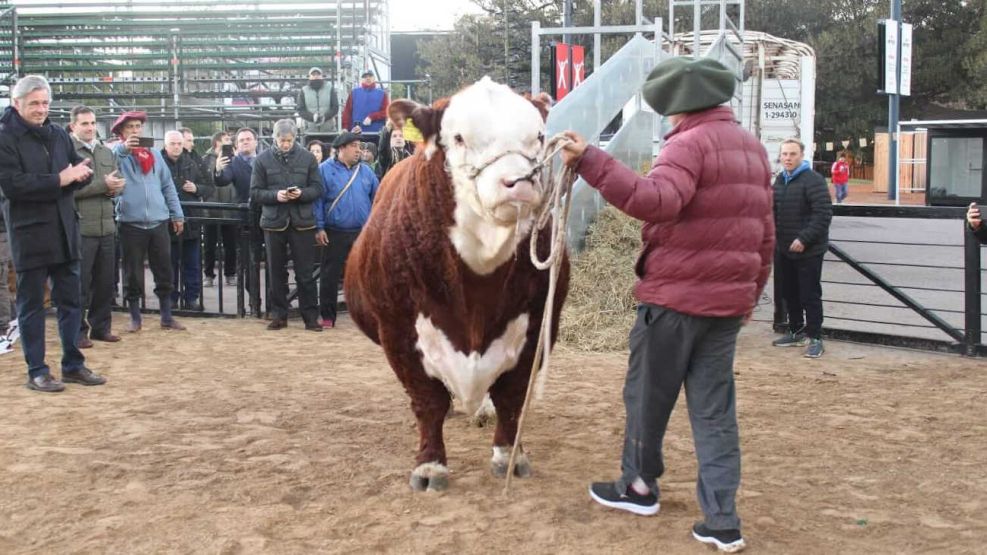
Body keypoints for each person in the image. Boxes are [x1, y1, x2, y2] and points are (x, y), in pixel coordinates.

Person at [560, 57, 774, 553]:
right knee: (715, 413)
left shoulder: (688, 144)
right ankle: (723, 519)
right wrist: (750, 296)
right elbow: (765, 235)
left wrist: (591, 160)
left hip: (673, 301)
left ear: (677, 106)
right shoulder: (753, 149)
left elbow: (658, 201)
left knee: (646, 398)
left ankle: (638, 486)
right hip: (725, 307)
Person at [0, 75, 107, 392]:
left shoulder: (58, 134)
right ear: (17, 103)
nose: (41, 109)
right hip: (29, 233)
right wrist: (61, 179)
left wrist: (82, 174)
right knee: (32, 306)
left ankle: (73, 365)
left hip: (64, 230)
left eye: (45, 103)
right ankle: (37, 371)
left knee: (71, 302)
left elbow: (76, 171)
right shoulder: (5, 136)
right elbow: (12, 185)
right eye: (34, 103)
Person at [111, 111, 187, 333]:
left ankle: (166, 316)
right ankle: (135, 317)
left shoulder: (154, 154)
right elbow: (110, 161)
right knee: (132, 273)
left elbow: (167, 186)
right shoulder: (118, 153)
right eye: (130, 127)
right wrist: (125, 148)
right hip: (130, 222)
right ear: (122, 132)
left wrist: (177, 213)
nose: (135, 130)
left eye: (138, 126)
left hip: (158, 220)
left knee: (164, 270)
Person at [249, 119, 323, 331]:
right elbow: (254, 192)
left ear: (295, 138)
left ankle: (310, 317)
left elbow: (318, 188)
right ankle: (279, 315)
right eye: (282, 141)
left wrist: (301, 194)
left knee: (305, 273)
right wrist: (276, 196)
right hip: (274, 223)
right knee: (275, 272)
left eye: (289, 140)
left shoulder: (308, 158)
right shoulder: (262, 160)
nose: (286, 144)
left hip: (303, 222)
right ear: (274, 138)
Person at [771, 138, 832, 358]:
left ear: (802, 155)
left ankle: (815, 337)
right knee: (789, 292)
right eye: (785, 154)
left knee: (810, 294)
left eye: (792, 154)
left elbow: (823, 214)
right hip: (784, 248)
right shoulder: (780, 180)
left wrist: (804, 239)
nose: (787, 158)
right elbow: (772, 210)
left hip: (809, 250)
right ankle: (796, 331)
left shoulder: (813, 180)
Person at [71, 105, 125, 347]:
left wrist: (115, 188)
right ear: (73, 126)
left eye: (92, 123)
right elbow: (68, 191)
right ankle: (77, 332)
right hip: (81, 229)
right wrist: (104, 186)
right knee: (79, 286)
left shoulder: (105, 152)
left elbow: (114, 182)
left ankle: (101, 328)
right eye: (84, 123)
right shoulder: (68, 152)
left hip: (107, 227)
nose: (90, 128)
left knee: (104, 284)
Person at [315, 132, 380, 329]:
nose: (359, 150)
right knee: (329, 276)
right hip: (334, 231)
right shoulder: (324, 170)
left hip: (362, 232)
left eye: (359, 146)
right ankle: (328, 317)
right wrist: (319, 227)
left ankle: (369, 317)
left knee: (366, 276)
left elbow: (377, 198)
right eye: (354, 146)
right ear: (341, 148)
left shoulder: (366, 171)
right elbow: (318, 201)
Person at [162, 130, 214, 309]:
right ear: (165, 145)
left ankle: (191, 297)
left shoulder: (193, 162)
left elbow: (209, 187)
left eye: (179, 143)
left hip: (190, 218)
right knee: (168, 263)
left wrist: (196, 188)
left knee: (191, 263)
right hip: (166, 220)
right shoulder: (158, 163)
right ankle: (170, 298)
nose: (177, 147)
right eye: (173, 144)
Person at [201, 131, 237, 288]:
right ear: (217, 142)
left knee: (231, 245)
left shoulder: (234, 159)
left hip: (230, 207)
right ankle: (208, 275)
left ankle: (230, 274)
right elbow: (204, 181)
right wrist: (216, 168)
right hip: (211, 208)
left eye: (230, 140)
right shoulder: (205, 160)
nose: (229, 142)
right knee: (209, 245)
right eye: (226, 140)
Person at [296, 67, 339, 133]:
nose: (316, 76)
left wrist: (325, 117)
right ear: (309, 77)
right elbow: (300, 109)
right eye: (313, 74)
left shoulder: (330, 88)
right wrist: (312, 117)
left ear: (322, 76)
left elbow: (335, 107)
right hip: (309, 131)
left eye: (318, 74)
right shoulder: (304, 90)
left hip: (328, 130)